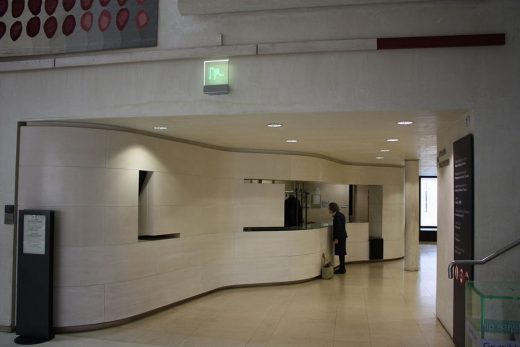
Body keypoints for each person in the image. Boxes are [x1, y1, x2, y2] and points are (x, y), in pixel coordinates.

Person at [329, 202, 347, 274]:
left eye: (329, 208)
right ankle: (342, 267)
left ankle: (342, 269)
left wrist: (336, 238)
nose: (328, 210)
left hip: (340, 237)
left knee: (341, 253)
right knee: (341, 253)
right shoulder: (341, 215)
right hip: (343, 236)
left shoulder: (337, 217)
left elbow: (338, 228)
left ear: (332, 209)